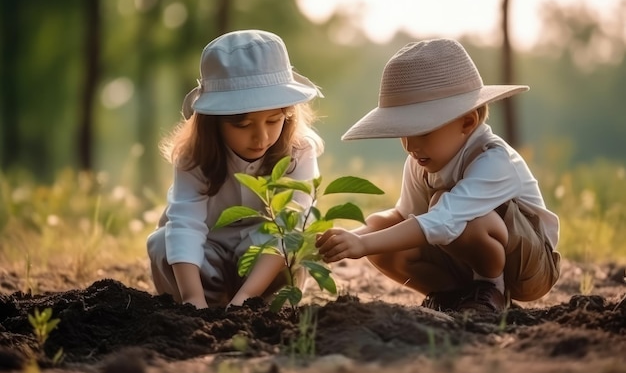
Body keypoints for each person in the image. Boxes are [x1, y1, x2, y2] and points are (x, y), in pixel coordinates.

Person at [316, 38, 560, 314]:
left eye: (423, 131)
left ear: (467, 122)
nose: (410, 145)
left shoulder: (493, 159)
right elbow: (405, 217)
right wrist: (351, 237)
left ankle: (491, 290)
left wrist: (362, 243)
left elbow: (443, 219)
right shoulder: (421, 161)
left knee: (458, 213)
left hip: (528, 266)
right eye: (403, 133)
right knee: (384, 225)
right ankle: (451, 295)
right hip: (461, 255)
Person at [147, 30, 324, 309]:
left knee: (299, 239)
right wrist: (193, 301)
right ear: (212, 121)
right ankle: (203, 302)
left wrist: (245, 301)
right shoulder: (194, 155)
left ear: (288, 116)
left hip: (264, 260)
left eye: (273, 121)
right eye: (242, 125)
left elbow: (292, 224)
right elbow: (185, 223)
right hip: (207, 254)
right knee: (161, 243)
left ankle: (266, 308)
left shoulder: (298, 151)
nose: (261, 138)